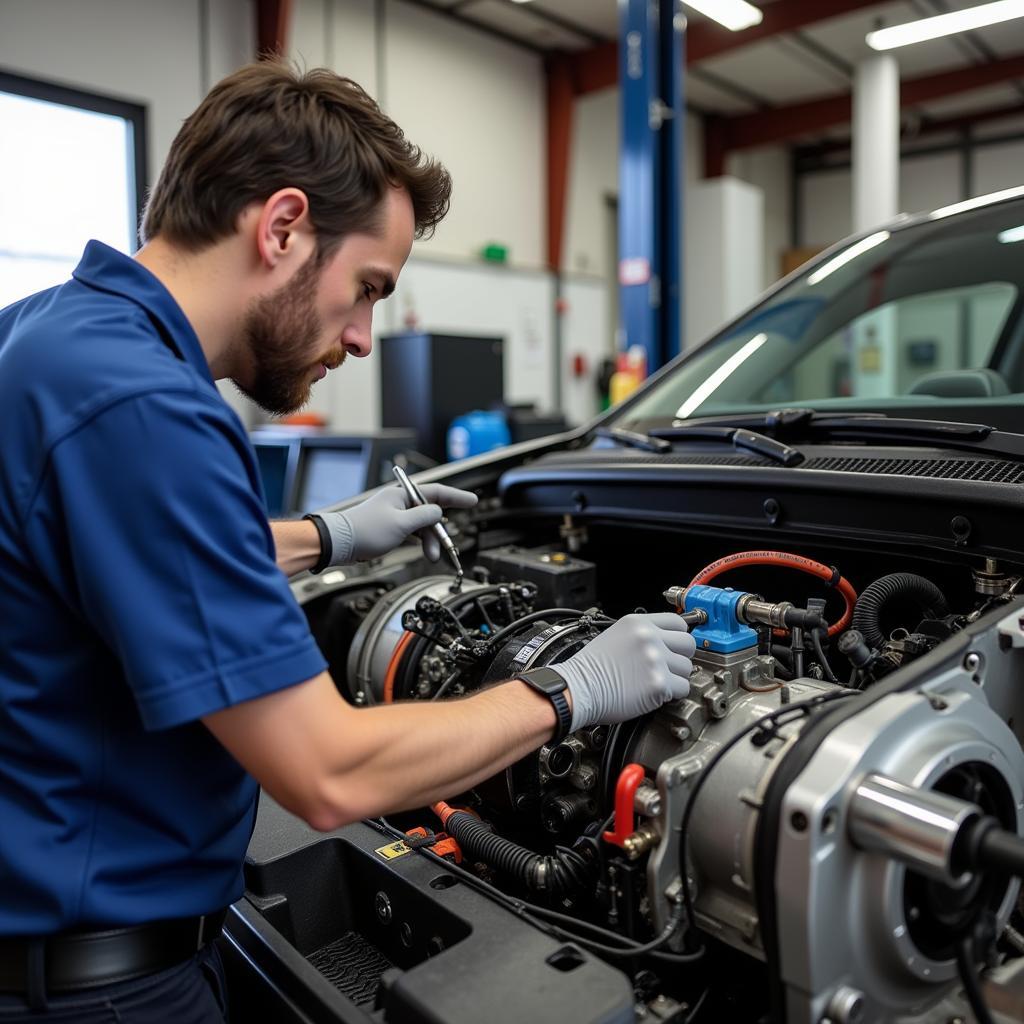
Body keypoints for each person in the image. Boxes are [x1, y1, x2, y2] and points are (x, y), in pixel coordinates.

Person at [0, 62, 696, 1022]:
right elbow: (331, 774)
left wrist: (328, 535)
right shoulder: (144, 407)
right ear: (282, 226)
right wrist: (567, 691)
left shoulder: (46, 337)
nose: (365, 338)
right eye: (368, 287)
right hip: (107, 989)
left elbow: (127, 556)